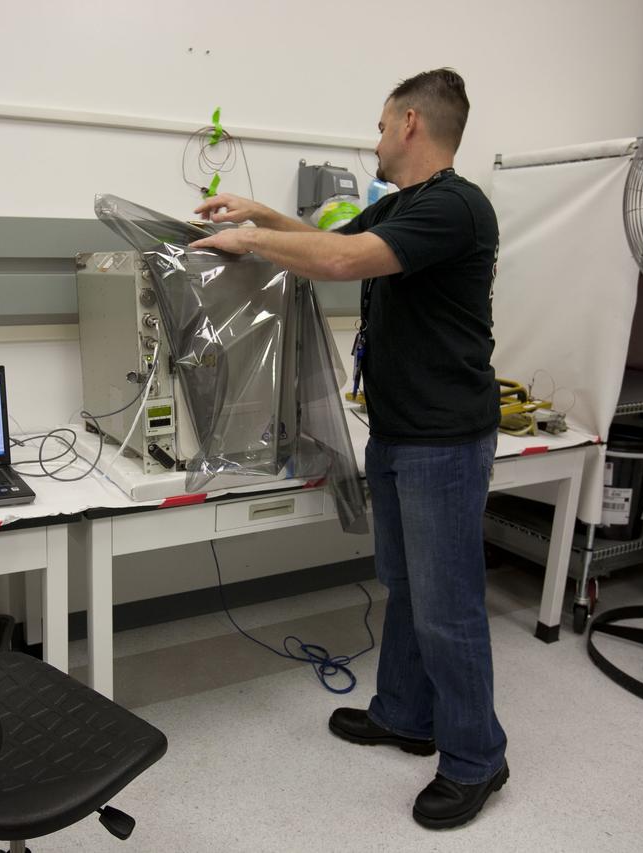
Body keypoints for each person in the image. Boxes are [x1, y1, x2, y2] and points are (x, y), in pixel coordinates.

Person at [191, 68, 506, 830]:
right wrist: (258, 210)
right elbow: (337, 241)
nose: (372, 139)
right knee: (405, 584)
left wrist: (250, 240)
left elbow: (337, 264)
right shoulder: (409, 207)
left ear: (408, 124)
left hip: (443, 435)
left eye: (377, 124)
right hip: (402, 428)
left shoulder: (457, 207)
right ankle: (405, 712)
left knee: (448, 603)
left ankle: (476, 757)